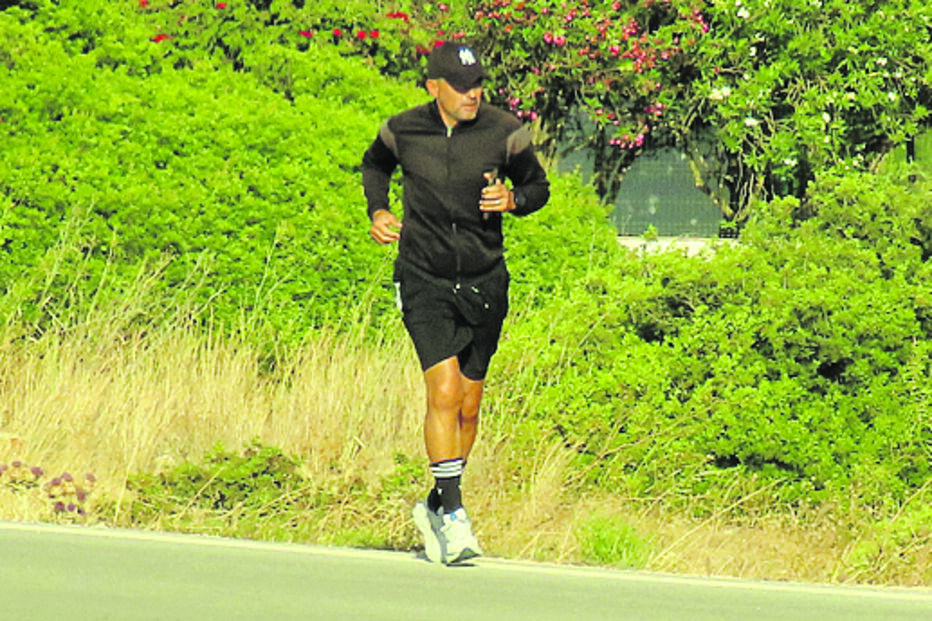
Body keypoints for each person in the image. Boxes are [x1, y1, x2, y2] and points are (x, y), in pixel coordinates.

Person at [361, 41, 550, 565]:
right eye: (462, 86)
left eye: (478, 84)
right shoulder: (403, 130)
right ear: (433, 88)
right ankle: (457, 515)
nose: (474, 94)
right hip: (424, 277)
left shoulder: (504, 131)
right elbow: (373, 167)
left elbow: (538, 185)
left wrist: (515, 200)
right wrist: (377, 210)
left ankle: (435, 504)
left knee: (468, 405)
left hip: (485, 281)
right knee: (442, 391)